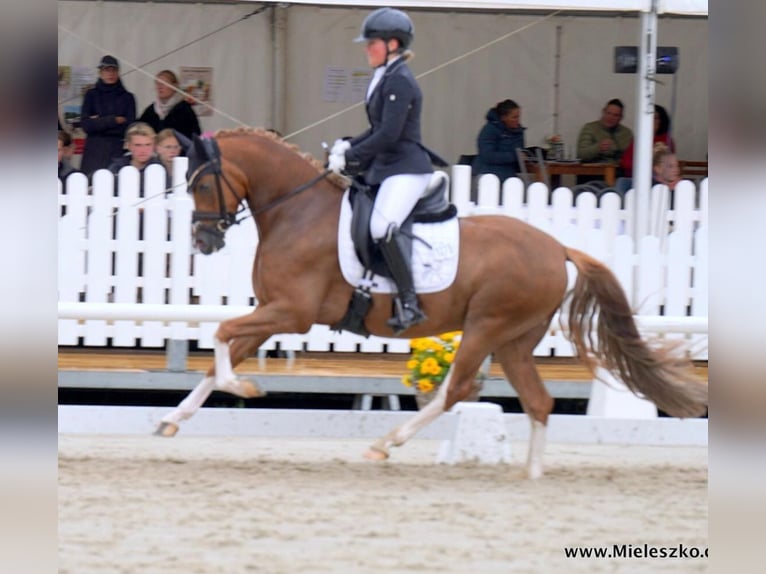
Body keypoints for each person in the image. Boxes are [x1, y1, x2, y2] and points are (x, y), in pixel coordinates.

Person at [326, 7, 447, 335]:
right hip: (388, 167)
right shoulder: (385, 76)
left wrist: (351, 157)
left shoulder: (401, 81)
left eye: (372, 43)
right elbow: (376, 128)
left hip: (406, 168)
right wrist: (346, 147)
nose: (366, 48)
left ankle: (409, 303)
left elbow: (389, 135)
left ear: (393, 44)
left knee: (382, 227)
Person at [80, 55, 137, 177]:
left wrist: (98, 121)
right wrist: (114, 120)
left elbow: (129, 128)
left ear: (118, 72)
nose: (110, 73)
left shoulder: (127, 97)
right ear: (100, 73)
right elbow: (86, 125)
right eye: (106, 70)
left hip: (117, 150)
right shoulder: (91, 95)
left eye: (113, 70)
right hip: (94, 152)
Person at [471, 99, 526, 182]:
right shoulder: (489, 130)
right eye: (514, 117)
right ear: (503, 117)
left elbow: (520, 151)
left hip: (508, 175)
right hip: (487, 174)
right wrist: (514, 156)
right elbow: (487, 155)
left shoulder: (518, 132)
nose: (517, 120)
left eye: (518, 117)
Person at [138, 70, 201, 139]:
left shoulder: (184, 110)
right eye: (157, 83)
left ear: (174, 86)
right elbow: (138, 131)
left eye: (164, 83)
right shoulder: (150, 110)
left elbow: (195, 138)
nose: (160, 87)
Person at [619, 104, 675, 178]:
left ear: (662, 121)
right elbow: (625, 161)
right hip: (634, 177)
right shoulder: (640, 138)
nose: (652, 120)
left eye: (655, 118)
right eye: (649, 117)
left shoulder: (666, 140)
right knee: (621, 182)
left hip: (656, 178)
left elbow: (664, 165)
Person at [108, 122, 162, 195]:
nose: (143, 150)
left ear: (154, 145)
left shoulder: (160, 169)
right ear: (128, 145)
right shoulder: (116, 168)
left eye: (148, 145)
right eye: (138, 145)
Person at [576, 98, 633, 164]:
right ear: (603, 112)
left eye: (615, 115)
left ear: (621, 118)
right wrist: (598, 148)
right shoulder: (590, 128)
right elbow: (581, 154)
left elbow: (634, 157)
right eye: (608, 113)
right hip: (595, 172)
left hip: (620, 172)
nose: (611, 117)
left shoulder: (627, 133)